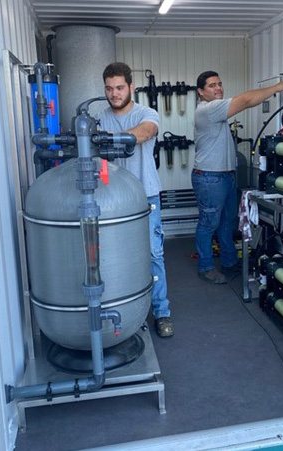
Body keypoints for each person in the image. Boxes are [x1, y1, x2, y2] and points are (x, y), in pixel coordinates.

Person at [192, 71, 283, 284]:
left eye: (219, 83)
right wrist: (276, 87)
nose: (218, 88)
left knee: (228, 222)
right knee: (209, 223)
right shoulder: (208, 109)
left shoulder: (215, 109)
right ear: (201, 92)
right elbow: (245, 100)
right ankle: (206, 267)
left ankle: (229, 263)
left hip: (225, 176)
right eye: (211, 86)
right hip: (210, 178)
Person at [100, 62, 174, 338]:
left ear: (131, 86)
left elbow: (145, 133)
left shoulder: (147, 113)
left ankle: (162, 312)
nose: (114, 94)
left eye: (120, 88)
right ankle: (129, 313)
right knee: (116, 258)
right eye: (109, 89)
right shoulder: (101, 116)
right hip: (113, 201)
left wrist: (107, 139)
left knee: (154, 254)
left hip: (146, 196)